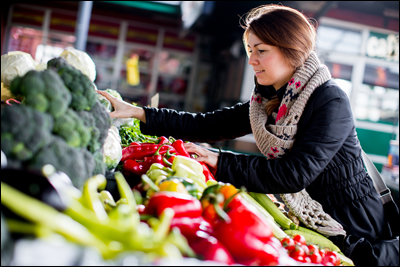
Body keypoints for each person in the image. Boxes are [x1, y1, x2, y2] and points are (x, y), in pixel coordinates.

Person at [97, 4, 398, 265]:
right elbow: (208, 126)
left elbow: (293, 174)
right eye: (250, 50)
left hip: (353, 225)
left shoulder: (329, 100)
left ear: (291, 49)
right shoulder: (268, 102)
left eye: (261, 51)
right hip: (308, 219)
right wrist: (140, 113)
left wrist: (219, 161)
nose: (252, 60)